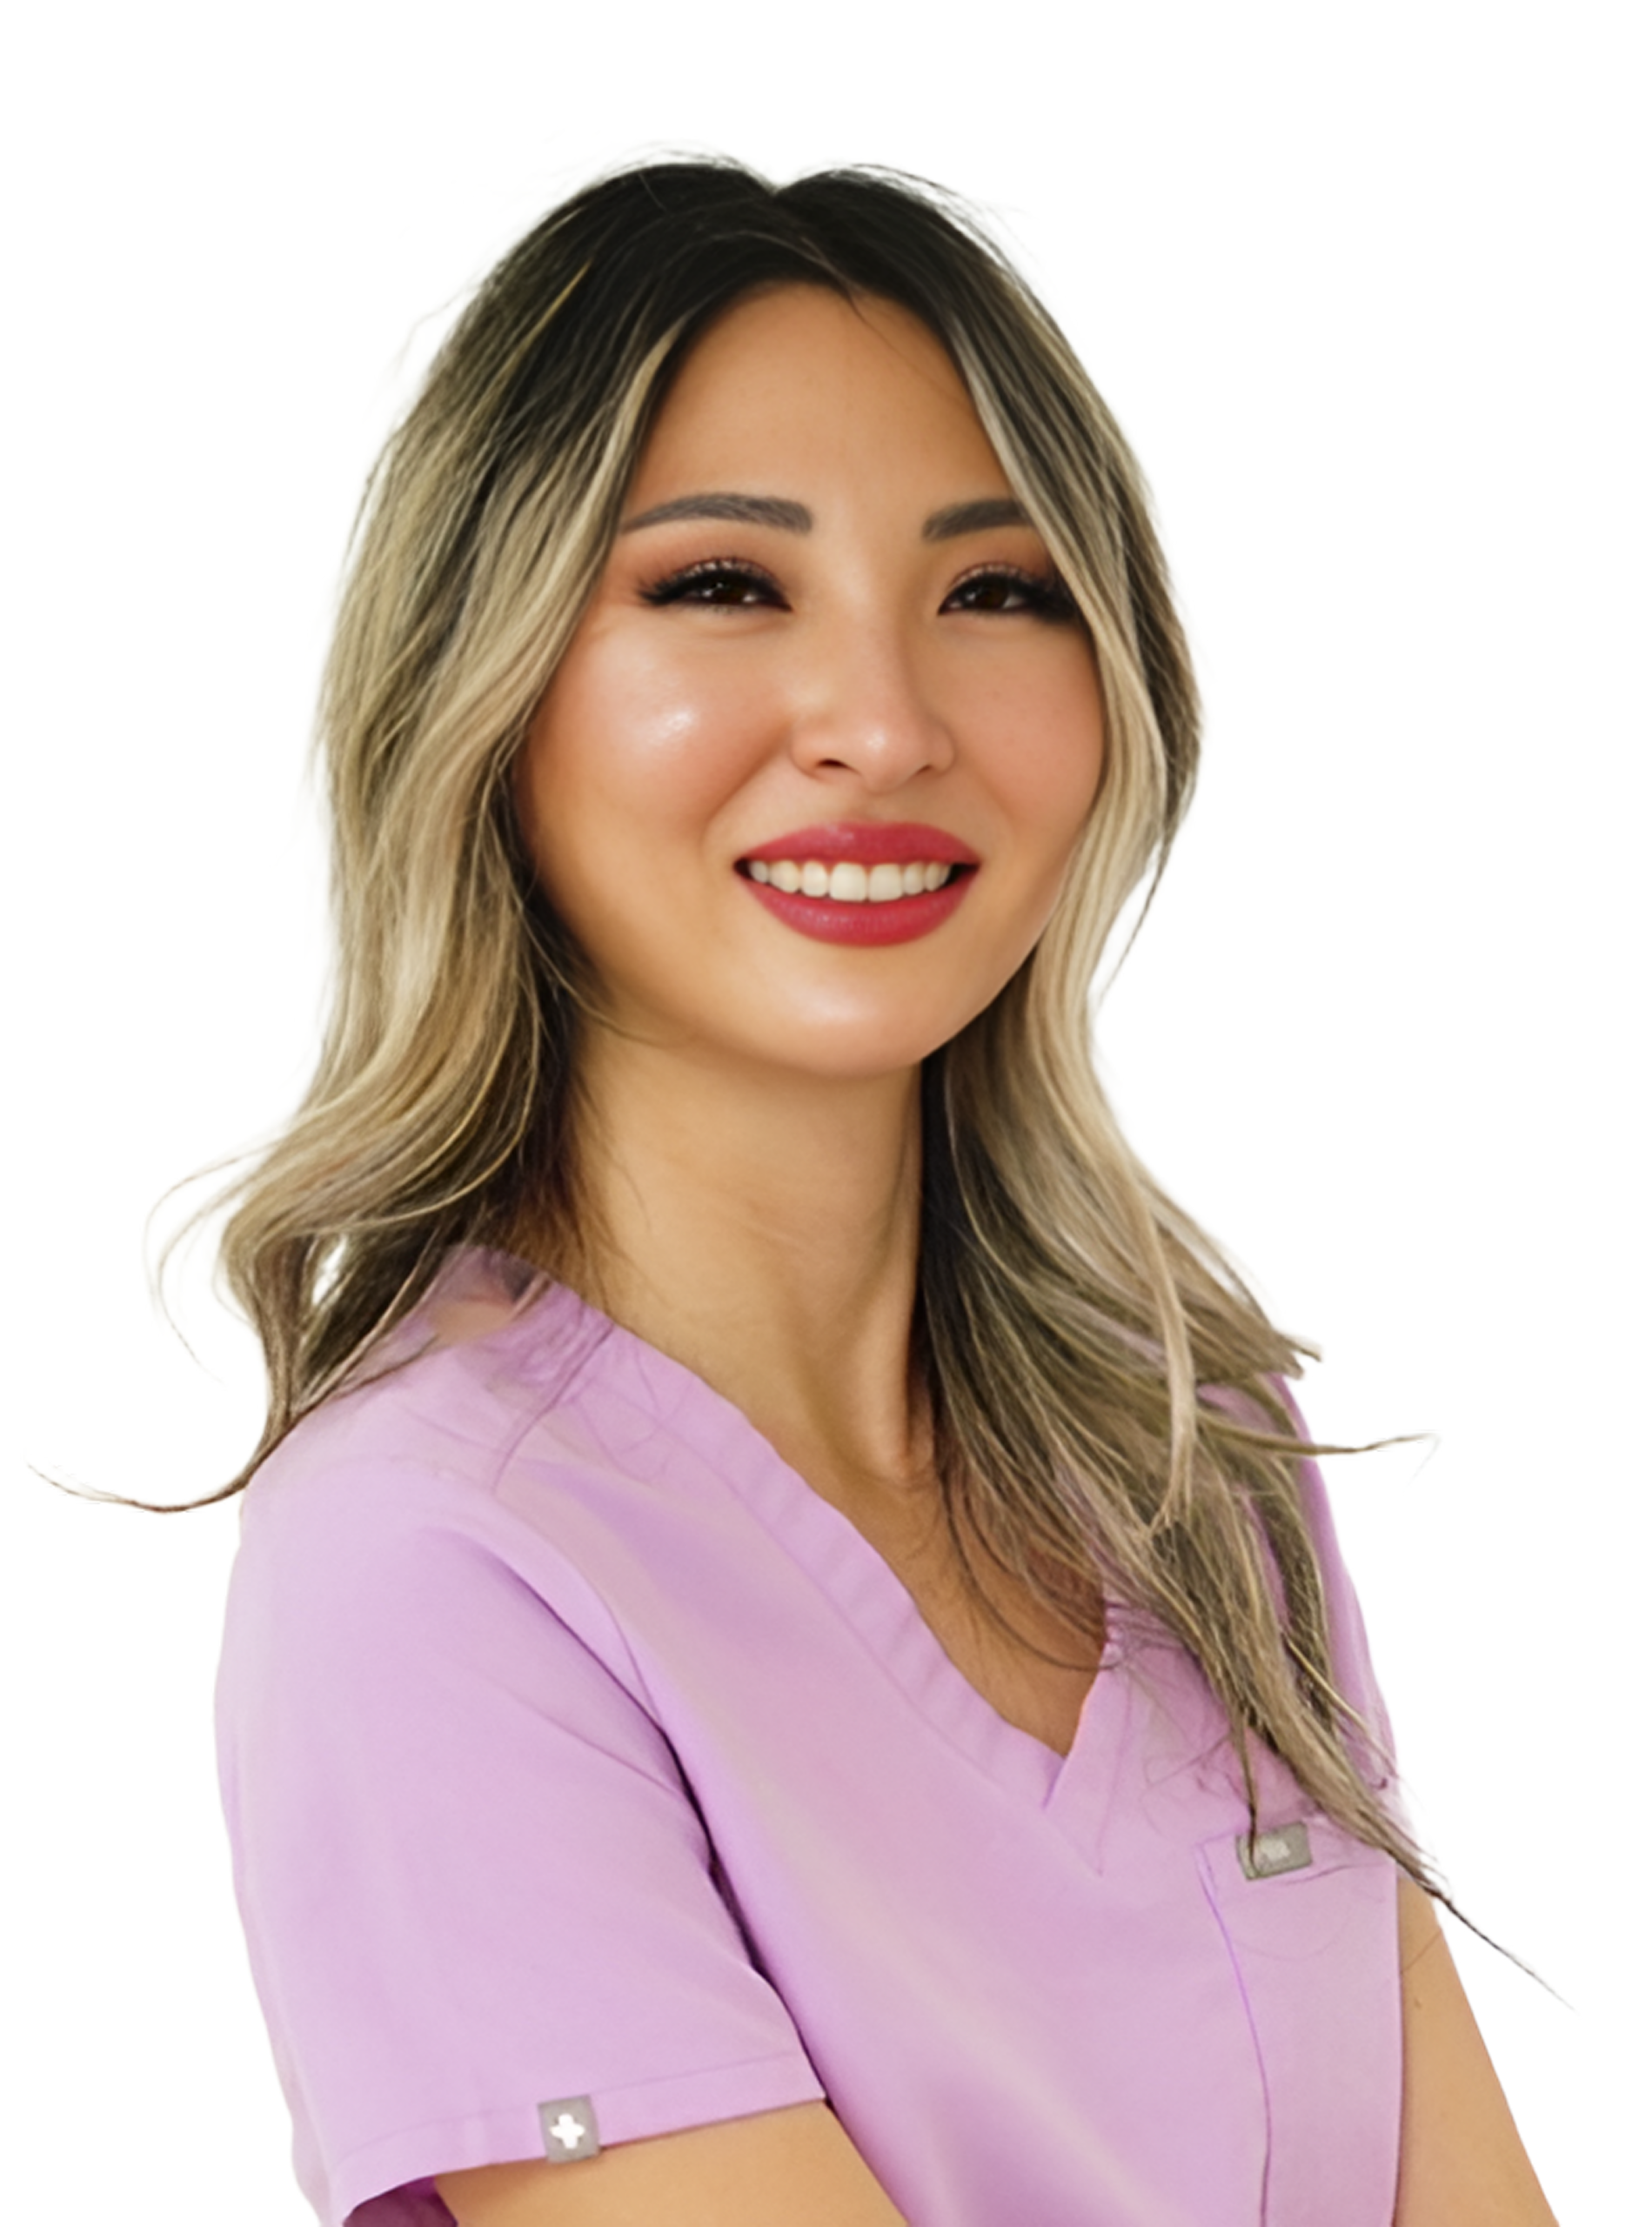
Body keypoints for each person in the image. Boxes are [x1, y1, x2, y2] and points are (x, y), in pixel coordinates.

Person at [210, 160, 1557, 2226]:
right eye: (721, 584)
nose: (882, 722)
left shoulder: (1186, 1449)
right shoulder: (433, 1563)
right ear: (485, 692)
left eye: (994, 590)